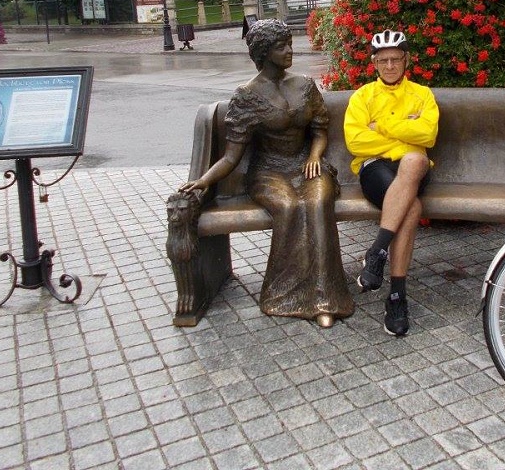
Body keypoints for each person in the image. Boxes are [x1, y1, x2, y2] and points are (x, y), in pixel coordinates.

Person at [179, 19, 353, 328]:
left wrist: (314, 156)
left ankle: (326, 298)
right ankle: (282, 295)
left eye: (289, 43)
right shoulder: (247, 95)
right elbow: (231, 157)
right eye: (280, 46)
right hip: (269, 171)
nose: (289, 50)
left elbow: (320, 131)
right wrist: (203, 181)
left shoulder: (304, 85)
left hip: (306, 164)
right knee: (288, 206)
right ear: (262, 52)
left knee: (317, 202)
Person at [344, 29, 439, 336]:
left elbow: (428, 135)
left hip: (412, 169)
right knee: (411, 208)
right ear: (374, 63)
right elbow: (356, 140)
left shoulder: (422, 95)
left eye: (395, 59)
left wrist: (382, 126)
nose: (389, 66)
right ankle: (396, 296)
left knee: (413, 161)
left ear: (406, 60)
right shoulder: (362, 97)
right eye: (383, 60)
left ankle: (377, 252)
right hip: (375, 170)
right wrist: (403, 134)